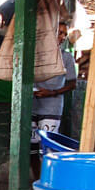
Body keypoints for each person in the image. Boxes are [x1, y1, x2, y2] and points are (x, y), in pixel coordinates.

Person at [31, 21, 78, 178]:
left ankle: (47, 180)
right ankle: (36, 179)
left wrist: (52, 92)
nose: (63, 37)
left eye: (64, 34)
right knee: (31, 147)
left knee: (47, 149)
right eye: (60, 33)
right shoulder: (34, 55)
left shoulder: (66, 58)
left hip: (52, 107)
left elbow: (72, 84)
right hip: (31, 105)